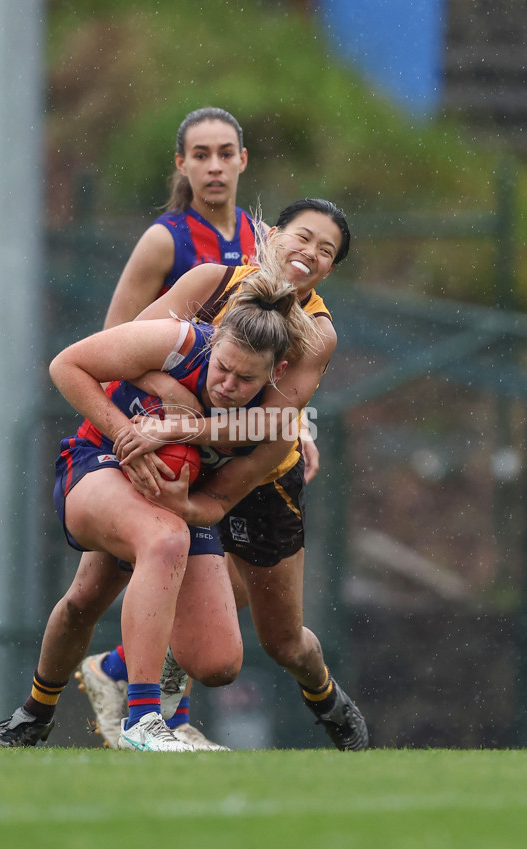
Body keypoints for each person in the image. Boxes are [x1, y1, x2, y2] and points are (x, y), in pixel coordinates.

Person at [0, 255, 319, 752]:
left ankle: (35, 715)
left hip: (172, 500)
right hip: (99, 461)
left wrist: (184, 496)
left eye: (246, 380)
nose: (228, 385)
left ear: (279, 370)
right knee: (160, 542)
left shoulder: (270, 425)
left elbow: (217, 505)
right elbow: (67, 365)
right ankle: (142, 720)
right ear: (216, 336)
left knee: (215, 662)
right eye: (223, 368)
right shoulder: (180, 340)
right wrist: (123, 433)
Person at [75, 106, 320, 750]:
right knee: (87, 592)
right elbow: (114, 343)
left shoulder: (266, 242)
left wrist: (294, 429)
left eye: (226, 152)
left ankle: (145, 700)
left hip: (204, 446)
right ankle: (46, 707)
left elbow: (277, 370)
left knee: (211, 585)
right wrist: (165, 408)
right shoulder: (167, 241)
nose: (214, 165)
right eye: (201, 154)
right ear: (180, 165)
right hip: (133, 430)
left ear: (244, 161)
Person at [120, 197, 369, 752]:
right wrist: (170, 405)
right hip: (188, 461)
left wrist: (177, 430)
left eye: (326, 251)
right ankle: (121, 709)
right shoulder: (213, 281)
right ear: (274, 234)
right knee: (104, 584)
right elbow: (132, 347)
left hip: (261, 481)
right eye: (303, 237)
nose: (310, 253)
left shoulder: (316, 333)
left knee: (283, 642)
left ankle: (323, 693)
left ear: (331, 270)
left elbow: (269, 421)